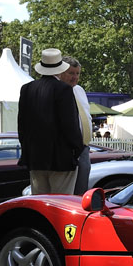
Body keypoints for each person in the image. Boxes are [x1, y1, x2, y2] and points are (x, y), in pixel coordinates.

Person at [18, 48, 84, 195]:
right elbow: (70, 125)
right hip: (61, 158)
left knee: (39, 202)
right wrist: (77, 149)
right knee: (60, 204)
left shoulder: (27, 89)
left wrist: (27, 150)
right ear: (60, 69)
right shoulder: (64, 90)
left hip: (35, 158)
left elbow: (21, 125)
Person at [59, 56, 92, 195]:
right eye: (71, 73)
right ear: (61, 73)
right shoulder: (57, 91)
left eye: (77, 73)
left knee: (81, 190)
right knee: (66, 193)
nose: (75, 77)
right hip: (67, 149)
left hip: (83, 148)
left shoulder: (79, 90)